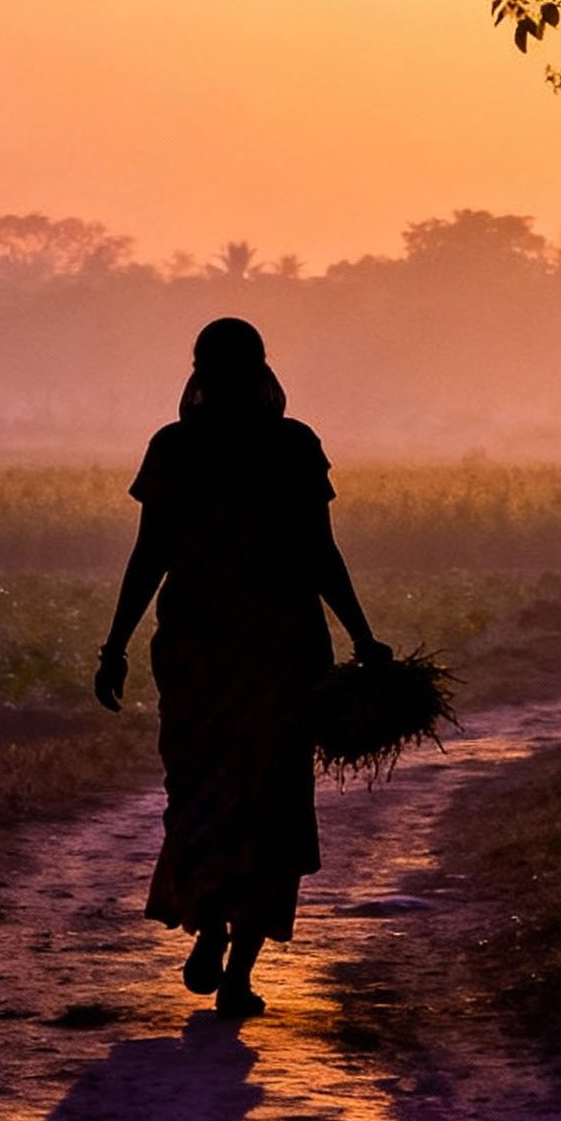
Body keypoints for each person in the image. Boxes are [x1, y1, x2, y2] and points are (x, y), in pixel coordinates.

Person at [95, 318, 389, 1020]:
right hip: (281, 654)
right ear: (262, 371)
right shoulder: (291, 446)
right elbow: (322, 553)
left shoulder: (175, 449)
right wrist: (365, 639)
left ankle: (208, 926)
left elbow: (149, 558)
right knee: (273, 807)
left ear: (198, 371)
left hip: (197, 654)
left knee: (200, 795)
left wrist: (114, 646)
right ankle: (237, 975)